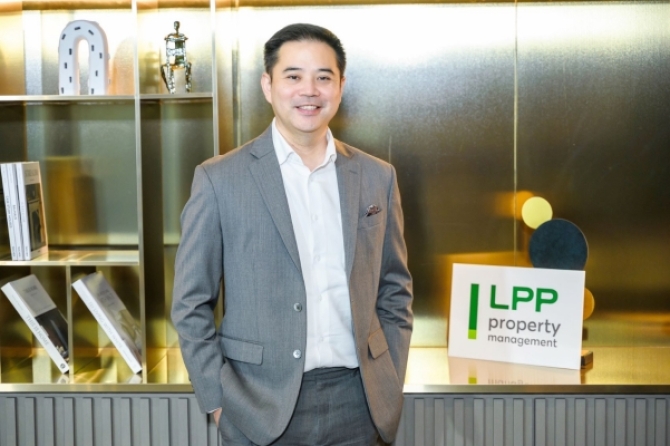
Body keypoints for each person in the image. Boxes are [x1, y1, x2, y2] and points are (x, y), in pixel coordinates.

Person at [171, 23, 413, 446]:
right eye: (293, 76)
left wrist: (388, 378)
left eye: (323, 77)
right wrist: (218, 401)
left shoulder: (378, 176)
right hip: (257, 405)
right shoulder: (219, 179)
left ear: (341, 86)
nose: (309, 91)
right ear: (268, 85)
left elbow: (394, 289)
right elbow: (190, 303)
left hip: (361, 404)